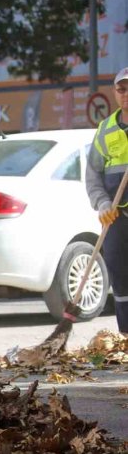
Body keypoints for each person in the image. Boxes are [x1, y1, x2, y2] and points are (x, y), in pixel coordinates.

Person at [86, 67, 128, 333]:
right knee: (121, 279)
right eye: (121, 89)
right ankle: (126, 337)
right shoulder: (105, 130)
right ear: (115, 93)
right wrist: (102, 205)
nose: (126, 94)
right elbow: (93, 178)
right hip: (117, 217)